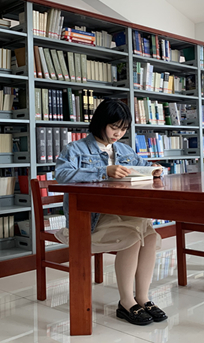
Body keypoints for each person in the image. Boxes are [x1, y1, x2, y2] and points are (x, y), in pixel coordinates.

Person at [53, 98, 167, 326]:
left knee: (151, 237)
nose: (118, 134)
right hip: (90, 218)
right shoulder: (75, 149)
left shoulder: (124, 149)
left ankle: (143, 298)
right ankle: (126, 302)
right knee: (133, 237)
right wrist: (104, 171)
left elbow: (142, 167)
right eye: (114, 127)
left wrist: (154, 170)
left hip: (122, 211)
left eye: (123, 129)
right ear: (100, 122)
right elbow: (62, 175)